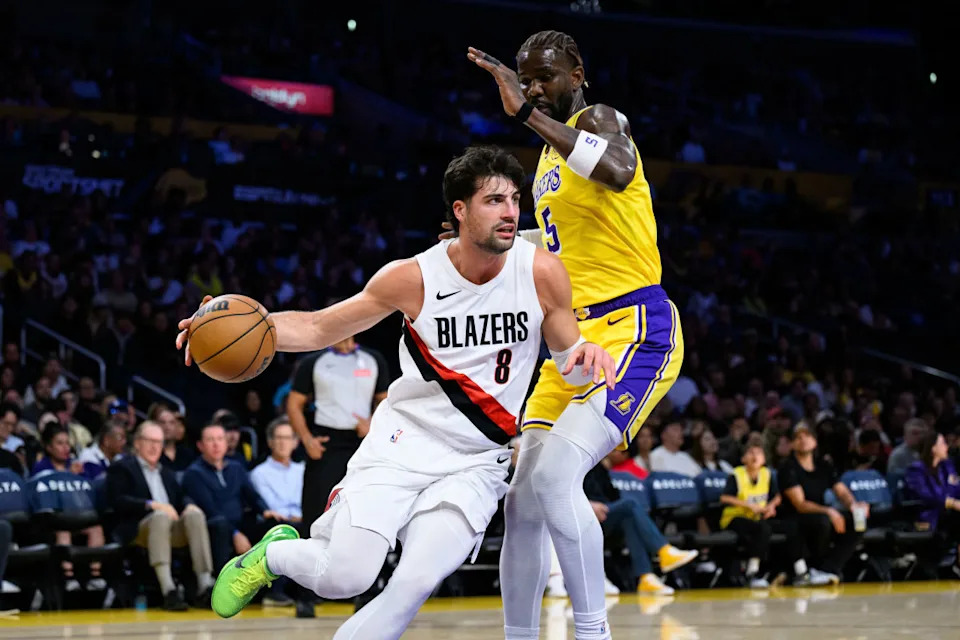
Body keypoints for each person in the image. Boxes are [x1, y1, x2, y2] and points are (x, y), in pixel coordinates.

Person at [176, 145, 617, 638]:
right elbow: (319, 327)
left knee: (412, 583)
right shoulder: (413, 277)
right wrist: (221, 326)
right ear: (460, 209)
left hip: (475, 462)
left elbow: (570, 363)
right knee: (345, 578)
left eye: (514, 199)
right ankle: (273, 555)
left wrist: (586, 358)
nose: (511, 211)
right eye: (494, 200)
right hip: (401, 445)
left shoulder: (541, 272)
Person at [466, 31, 684, 639]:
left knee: (556, 477)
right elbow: (560, 246)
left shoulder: (600, 120)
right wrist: (488, 243)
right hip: (571, 342)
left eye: (545, 77)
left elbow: (617, 168)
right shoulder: (547, 161)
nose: (534, 88)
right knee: (522, 499)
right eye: (525, 80)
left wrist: (526, 114)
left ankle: (593, 631)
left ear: (577, 74)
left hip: (634, 328)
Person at [286, 332, 389, 552]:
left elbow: (385, 400)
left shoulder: (373, 359)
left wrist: (373, 422)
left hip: (362, 444)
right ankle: (309, 570)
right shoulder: (313, 361)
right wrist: (307, 440)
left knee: (362, 510)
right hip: (325, 444)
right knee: (316, 511)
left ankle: (363, 570)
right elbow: (294, 403)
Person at [106, 421, 215, 610]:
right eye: (149, 441)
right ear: (137, 443)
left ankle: (205, 586)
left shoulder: (166, 472)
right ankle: (169, 590)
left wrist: (189, 506)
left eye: (159, 442)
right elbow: (118, 500)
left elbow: (181, 497)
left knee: (195, 516)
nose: (155, 446)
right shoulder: (122, 468)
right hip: (138, 528)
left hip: (170, 528)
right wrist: (152, 505)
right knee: (160, 516)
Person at [585, 454, 697, 594]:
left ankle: (646, 577)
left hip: (605, 516)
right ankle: (663, 551)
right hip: (583, 517)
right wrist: (587, 505)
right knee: (630, 504)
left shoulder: (599, 467)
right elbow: (565, 491)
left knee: (629, 518)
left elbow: (613, 496)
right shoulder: (577, 462)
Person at [777, 422, 868, 584]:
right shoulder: (788, 467)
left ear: (815, 441)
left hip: (820, 514)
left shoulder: (823, 465)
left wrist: (854, 505)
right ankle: (815, 565)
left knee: (858, 520)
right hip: (795, 518)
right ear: (792, 444)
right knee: (823, 521)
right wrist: (829, 511)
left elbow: (841, 491)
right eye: (798, 437)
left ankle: (829, 568)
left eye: (807, 436)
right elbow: (800, 504)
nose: (803, 440)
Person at [720, 434, 813, 588]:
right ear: (743, 459)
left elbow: (777, 496)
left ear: (764, 458)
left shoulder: (766, 474)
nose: (755, 456)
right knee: (762, 529)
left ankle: (801, 570)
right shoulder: (736, 474)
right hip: (735, 518)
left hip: (758, 518)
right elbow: (725, 498)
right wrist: (749, 506)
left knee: (791, 526)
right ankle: (752, 572)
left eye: (759, 453)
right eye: (751, 453)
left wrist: (771, 506)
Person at [904, 431, 960, 574]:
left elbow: (956, 489)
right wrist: (951, 502)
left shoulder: (947, 466)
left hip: (948, 515)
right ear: (933, 448)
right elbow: (925, 496)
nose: (946, 447)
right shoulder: (916, 470)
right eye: (943, 443)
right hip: (927, 517)